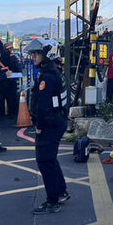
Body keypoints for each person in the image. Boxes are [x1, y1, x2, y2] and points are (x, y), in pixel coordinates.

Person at [27, 38, 70, 214]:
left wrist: (39, 125)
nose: (34, 57)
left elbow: (43, 106)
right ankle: (60, 192)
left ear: (46, 56)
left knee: (44, 161)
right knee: (50, 159)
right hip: (57, 121)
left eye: (37, 54)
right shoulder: (52, 73)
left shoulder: (48, 78)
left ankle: (53, 200)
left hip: (50, 124)